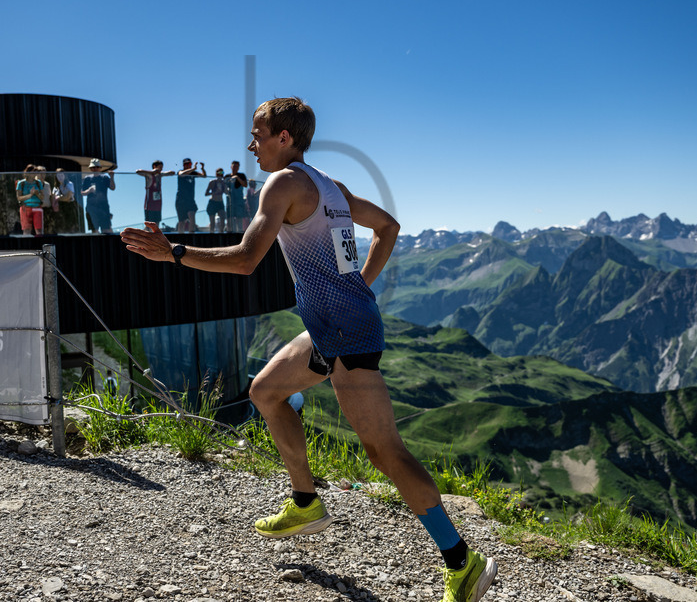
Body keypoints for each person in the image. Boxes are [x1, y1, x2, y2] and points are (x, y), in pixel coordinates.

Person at [121, 97, 497, 602]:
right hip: (332, 325)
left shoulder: (283, 184)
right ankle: (305, 501)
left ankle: (463, 563)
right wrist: (359, 286)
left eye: (257, 133)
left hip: (344, 331)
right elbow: (388, 226)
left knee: (384, 452)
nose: (250, 143)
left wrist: (176, 253)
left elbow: (246, 259)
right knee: (266, 391)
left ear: (284, 138)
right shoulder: (329, 187)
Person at [136, 160, 175, 226]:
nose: (161, 169)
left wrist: (163, 173)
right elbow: (138, 171)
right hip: (149, 206)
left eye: (162, 168)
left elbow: (172, 173)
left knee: (157, 225)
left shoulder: (160, 175)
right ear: (154, 166)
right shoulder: (149, 176)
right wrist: (152, 172)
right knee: (149, 225)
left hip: (158, 206)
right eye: (160, 167)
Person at [82, 158, 115, 233]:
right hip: (91, 208)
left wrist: (112, 177)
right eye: (93, 167)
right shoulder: (87, 179)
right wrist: (89, 191)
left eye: (97, 167)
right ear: (90, 169)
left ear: (100, 168)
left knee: (106, 230)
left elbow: (112, 188)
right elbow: (82, 192)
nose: (95, 169)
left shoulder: (105, 177)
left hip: (103, 207)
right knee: (95, 230)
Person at [176, 158, 207, 233]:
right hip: (181, 200)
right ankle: (180, 239)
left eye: (189, 164)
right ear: (183, 165)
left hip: (190, 200)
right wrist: (193, 169)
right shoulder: (181, 171)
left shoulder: (194, 173)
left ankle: (191, 235)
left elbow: (204, 176)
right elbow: (181, 174)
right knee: (181, 221)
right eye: (185, 164)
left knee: (192, 216)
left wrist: (202, 169)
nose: (187, 166)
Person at [15, 164, 46, 236]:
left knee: (39, 231)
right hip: (25, 208)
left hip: (37, 207)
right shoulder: (21, 183)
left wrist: (37, 193)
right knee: (26, 231)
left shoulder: (38, 183)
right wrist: (30, 195)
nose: (35, 173)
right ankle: (27, 246)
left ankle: (39, 245)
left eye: (35, 172)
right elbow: (19, 198)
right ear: (28, 172)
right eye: (33, 172)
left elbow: (42, 197)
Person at [50, 168, 80, 234]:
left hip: (69, 207)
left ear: (64, 176)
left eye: (61, 175)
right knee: (60, 228)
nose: (60, 177)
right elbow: (52, 199)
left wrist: (58, 198)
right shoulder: (55, 187)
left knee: (71, 228)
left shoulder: (70, 184)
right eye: (58, 176)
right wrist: (61, 198)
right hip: (60, 209)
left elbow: (68, 197)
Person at [225, 160, 249, 232]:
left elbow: (245, 185)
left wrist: (237, 178)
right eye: (234, 166)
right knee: (230, 219)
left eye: (237, 166)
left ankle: (239, 233)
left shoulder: (241, 175)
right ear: (231, 167)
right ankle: (230, 233)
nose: (235, 168)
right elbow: (224, 188)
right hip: (230, 201)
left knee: (239, 218)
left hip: (239, 201)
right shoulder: (227, 176)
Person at [204, 167, 227, 233]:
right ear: (216, 174)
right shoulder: (212, 182)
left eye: (222, 173)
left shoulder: (223, 183)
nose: (220, 174)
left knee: (223, 219)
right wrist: (214, 193)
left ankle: (221, 235)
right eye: (219, 173)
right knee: (212, 223)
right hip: (212, 203)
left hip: (220, 203)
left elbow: (226, 192)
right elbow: (206, 193)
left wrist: (225, 185)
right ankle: (212, 237)